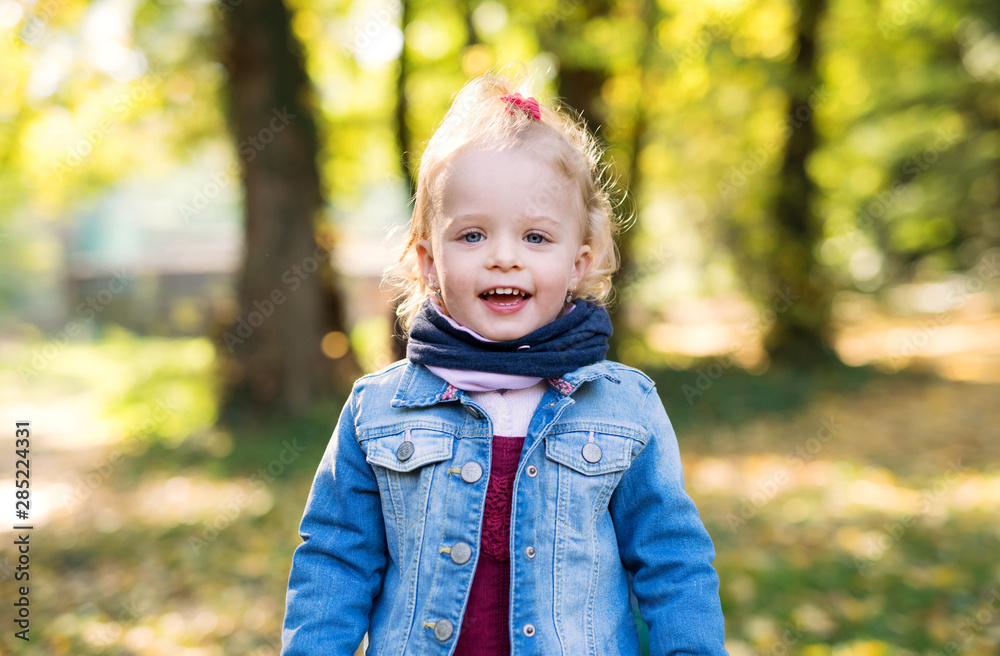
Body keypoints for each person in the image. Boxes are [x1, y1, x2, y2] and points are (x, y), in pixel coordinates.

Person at [280, 71, 727, 655]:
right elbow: (335, 560)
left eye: (536, 238)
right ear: (428, 261)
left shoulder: (624, 405)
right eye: (471, 235)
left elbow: (672, 563)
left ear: (578, 262)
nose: (504, 259)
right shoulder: (378, 409)